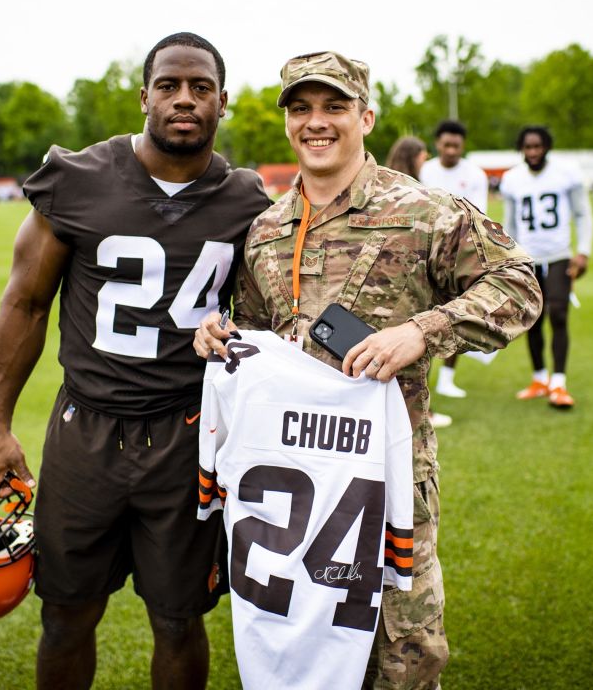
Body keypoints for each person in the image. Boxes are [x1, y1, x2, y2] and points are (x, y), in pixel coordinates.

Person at [194, 50, 541, 689]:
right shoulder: (267, 228)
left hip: (385, 479)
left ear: (367, 116)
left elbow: (520, 285)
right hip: (293, 488)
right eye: (301, 110)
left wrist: (422, 331)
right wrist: (224, 336)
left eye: (334, 107)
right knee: (301, 648)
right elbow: (259, 333)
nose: (315, 123)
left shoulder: (424, 211)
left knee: (402, 656)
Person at [0, 32, 271, 690]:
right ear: (145, 97)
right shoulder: (79, 178)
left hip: (189, 436)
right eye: (169, 85)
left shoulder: (248, 199)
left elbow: (274, 314)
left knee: (177, 619)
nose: (184, 99)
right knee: (66, 613)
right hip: (86, 432)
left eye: (201, 88)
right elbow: (25, 304)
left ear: (222, 102)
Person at [498, 124, 593, 409]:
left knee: (560, 315)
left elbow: (582, 213)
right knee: (533, 320)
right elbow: (511, 222)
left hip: (558, 255)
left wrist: (584, 252)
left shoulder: (566, 172)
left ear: (547, 147)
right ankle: (540, 378)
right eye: (528, 147)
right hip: (528, 259)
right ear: (521, 149)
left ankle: (559, 383)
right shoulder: (512, 179)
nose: (533, 152)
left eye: (537, 146)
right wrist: (510, 258)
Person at [418, 120, 492, 399]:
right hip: (425, 250)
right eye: (446, 144)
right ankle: (424, 378)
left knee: (456, 314)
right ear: (437, 144)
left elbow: (478, 215)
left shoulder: (475, 174)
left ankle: (447, 378)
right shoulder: (426, 170)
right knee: (423, 313)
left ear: (463, 146)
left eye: (456, 146)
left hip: (459, 252)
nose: (450, 150)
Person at [383, 135, 453, 429]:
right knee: (419, 346)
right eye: (423, 155)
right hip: (412, 279)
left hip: (387, 279)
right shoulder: (415, 192)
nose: (426, 160)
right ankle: (423, 413)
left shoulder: (383, 185)